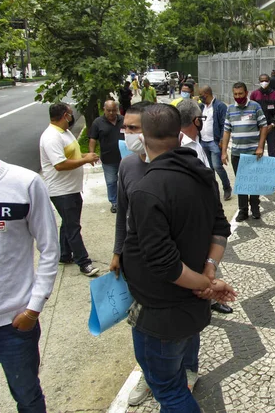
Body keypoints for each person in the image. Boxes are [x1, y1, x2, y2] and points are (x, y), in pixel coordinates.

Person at [122, 103, 236, 413]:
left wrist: (207, 284)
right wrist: (209, 274)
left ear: (144, 137)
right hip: (191, 308)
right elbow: (220, 230)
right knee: (176, 375)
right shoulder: (202, 175)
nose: (127, 135)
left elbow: (164, 262)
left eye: (132, 129)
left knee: (170, 391)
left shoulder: (147, 190)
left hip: (162, 314)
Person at [0, 157, 59, 413]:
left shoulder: (24, 183)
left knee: (27, 397)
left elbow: (50, 248)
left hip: (13, 324)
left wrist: (33, 308)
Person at [106, 102, 153, 406]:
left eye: (134, 128)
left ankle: (188, 367)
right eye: (125, 127)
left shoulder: (176, 164)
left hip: (174, 264)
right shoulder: (127, 166)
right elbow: (122, 213)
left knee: (179, 327)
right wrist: (117, 251)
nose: (127, 134)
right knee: (140, 324)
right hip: (136, 264)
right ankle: (149, 376)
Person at [178, 99, 236, 316]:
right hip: (194, 217)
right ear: (196, 120)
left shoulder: (196, 143)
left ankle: (210, 296)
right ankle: (202, 295)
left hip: (207, 215)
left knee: (209, 256)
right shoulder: (182, 146)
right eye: (201, 119)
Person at [39, 103, 100, 276]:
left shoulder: (64, 133)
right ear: (65, 115)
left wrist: (85, 156)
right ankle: (84, 262)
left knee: (68, 223)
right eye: (71, 114)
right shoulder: (51, 137)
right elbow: (59, 164)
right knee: (73, 227)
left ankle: (64, 254)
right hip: (61, 190)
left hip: (72, 188)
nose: (72, 117)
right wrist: (85, 160)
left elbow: (72, 156)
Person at [221, 82, 268, 221]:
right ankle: (243, 210)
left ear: (246, 93)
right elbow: (226, 131)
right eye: (235, 94)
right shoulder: (230, 109)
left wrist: (260, 147)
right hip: (237, 153)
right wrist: (224, 151)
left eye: (240, 94)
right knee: (241, 182)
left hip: (253, 152)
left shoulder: (255, 106)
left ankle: (255, 208)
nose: (238, 96)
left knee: (253, 182)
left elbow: (264, 127)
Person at [88, 100, 125, 213]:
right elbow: (93, 139)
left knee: (125, 181)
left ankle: (125, 201)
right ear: (104, 109)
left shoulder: (123, 120)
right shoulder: (98, 123)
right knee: (111, 181)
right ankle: (114, 202)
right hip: (108, 158)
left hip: (124, 157)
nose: (111, 113)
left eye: (114, 110)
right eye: (108, 110)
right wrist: (91, 154)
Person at [198, 85, 232, 201]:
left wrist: (223, 141)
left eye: (200, 94)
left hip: (214, 142)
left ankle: (227, 187)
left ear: (206, 94)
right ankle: (213, 191)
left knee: (217, 166)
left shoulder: (219, 106)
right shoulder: (201, 106)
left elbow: (225, 125)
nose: (199, 97)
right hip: (203, 142)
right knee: (208, 168)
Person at [250, 73, 275, 157]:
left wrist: (272, 124)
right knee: (259, 150)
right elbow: (251, 110)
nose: (264, 82)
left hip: (270, 127)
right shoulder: (254, 94)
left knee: (272, 150)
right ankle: (258, 168)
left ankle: (271, 168)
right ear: (259, 82)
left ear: (269, 81)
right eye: (262, 81)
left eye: (266, 80)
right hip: (258, 127)